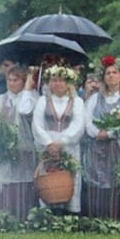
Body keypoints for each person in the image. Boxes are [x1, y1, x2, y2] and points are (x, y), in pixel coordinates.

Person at [82, 56, 120, 219]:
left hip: (117, 149)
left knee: (116, 182)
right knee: (95, 184)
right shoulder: (94, 99)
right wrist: (96, 133)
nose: (111, 76)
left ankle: (116, 218)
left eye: (114, 73)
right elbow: (87, 120)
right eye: (107, 73)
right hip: (96, 148)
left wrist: (109, 134)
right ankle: (96, 218)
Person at [32, 65, 87, 214]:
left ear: (69, 83)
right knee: (48, 178)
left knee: (70, 177)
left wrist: (63, 141)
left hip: (68, 146)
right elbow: (37, 124)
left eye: (62, 80)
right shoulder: (43, 100)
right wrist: (48, 142)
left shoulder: (77, 101)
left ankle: (70, 213)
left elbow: (79, 124)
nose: (58, 84)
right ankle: (47, 212)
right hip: (47, 145)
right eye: (54, 80)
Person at [0, 65, 38, 219]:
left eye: (15, 80)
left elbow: (28, 113)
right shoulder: (0, 99)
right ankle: (5, 216)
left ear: (23, 81)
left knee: (25, 179)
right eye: (9, 80)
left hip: (26, 147)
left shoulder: (32, 97)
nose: (11, 83)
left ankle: (24, 216)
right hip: (5, 148)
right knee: (5, 179)